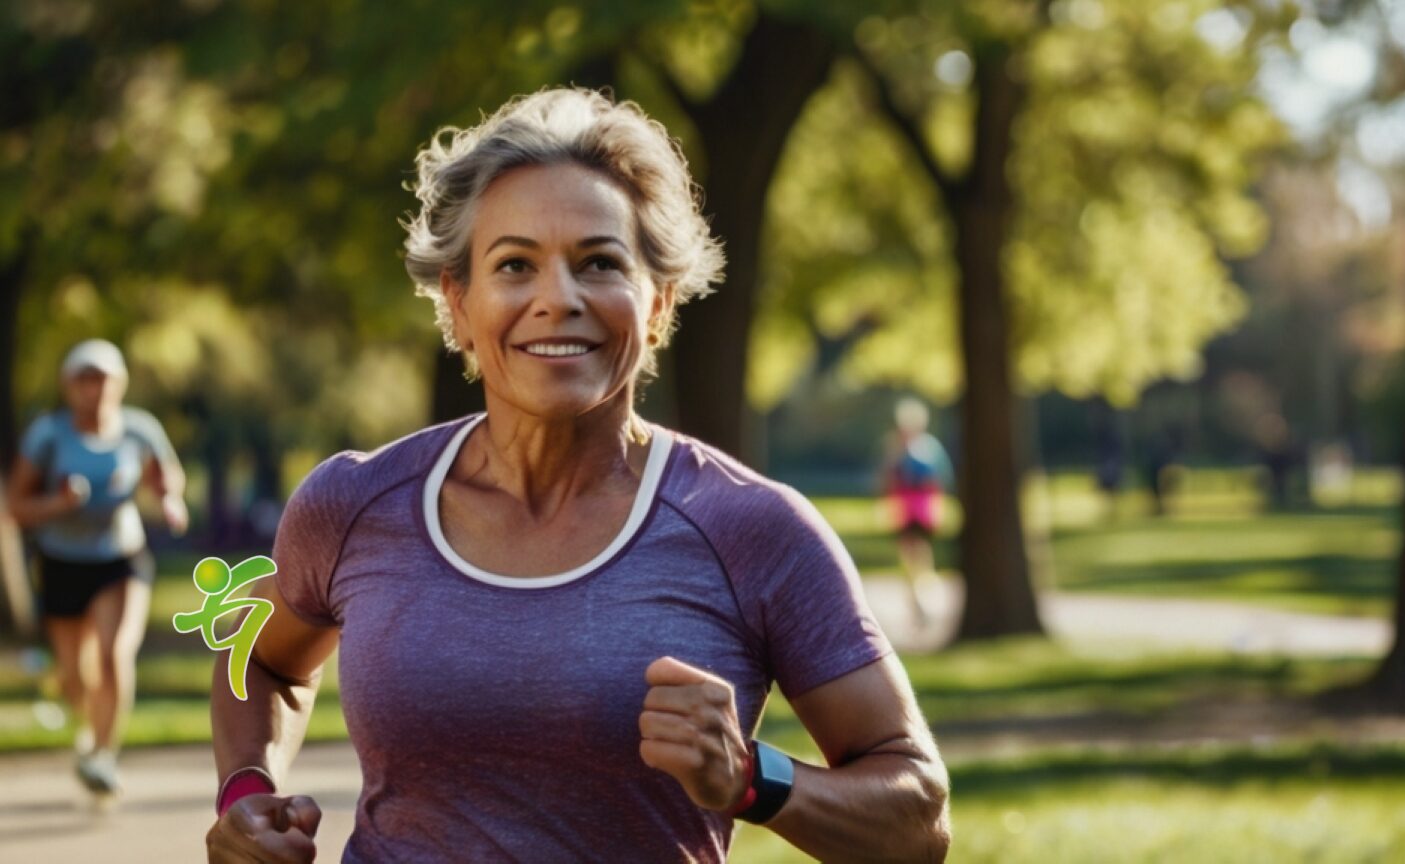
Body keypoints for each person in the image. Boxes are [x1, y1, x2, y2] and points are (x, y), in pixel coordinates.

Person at [205, 87, 950, 863]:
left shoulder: (751, 529)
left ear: (658, 303)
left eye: (599, 263)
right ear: (457, 304)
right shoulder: (356, 503)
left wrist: (749, 778)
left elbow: (919, 822)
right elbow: (253, 653)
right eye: (514, 265)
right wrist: (245, 792)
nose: (556, 300)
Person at [4, 338, 189, 796]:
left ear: (119, 383)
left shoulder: (139, 429)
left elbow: (167, 476)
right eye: (85, 379)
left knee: (112, 655)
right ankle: (86, 734)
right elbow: (17, 506)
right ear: (69, 386)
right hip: (63, 561)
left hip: (119, 556)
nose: (95, 389)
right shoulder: (48, 434)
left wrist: (169, 501)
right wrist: (61, 504)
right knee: (74, 673)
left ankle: (104, 756)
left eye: (103, 378)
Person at [880, 397, 953, 628]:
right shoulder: (895, 449)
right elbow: (887, 479)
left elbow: (939, 479)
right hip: (904, 509)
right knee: (909, 553)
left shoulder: (928, 448)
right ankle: (915, 594)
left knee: (919, 552)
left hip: (922, 509)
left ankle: (923, 592)